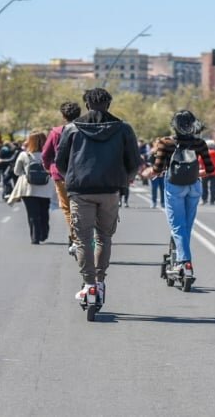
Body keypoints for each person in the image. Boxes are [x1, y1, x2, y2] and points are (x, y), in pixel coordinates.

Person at [56, 88, 141, 302]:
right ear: (109, 105)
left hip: (80, 191)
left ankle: (89, 283)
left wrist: (72, 178)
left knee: (83, 239)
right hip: (110, 190)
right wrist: (125, 180)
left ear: (86, 105)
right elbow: (134, 162)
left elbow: (60, 162)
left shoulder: (72, 129)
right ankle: (100, 282)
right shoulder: (123, 129)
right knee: (104, 237)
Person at [152, 110, 214, 272]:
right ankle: (180, 254)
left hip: (174, 186)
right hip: (194, 185)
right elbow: (210, 168)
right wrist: (196, 172)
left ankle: (184, 261)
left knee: (177, 225)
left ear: (174, 125)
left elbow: (157, 168)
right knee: (187, 225)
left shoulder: (165, 143)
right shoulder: (200, 143)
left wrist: (156, 172)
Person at [42, 101, 82, 252]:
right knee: (83, 206)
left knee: (67, 209)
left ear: (63, 115)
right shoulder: (83, 130)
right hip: (81, 174)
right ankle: (82, 236)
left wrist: (48, 168)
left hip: (60, 175)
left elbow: (46, 154)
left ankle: (74, 237)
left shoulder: (56, 132)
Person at [10, 132, 53, 244]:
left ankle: (35, 237)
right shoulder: (49, 155)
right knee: (44, 212)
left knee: (32, 214)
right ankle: (44, 233)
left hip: (29, 189)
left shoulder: (24, 155)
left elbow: (17, 171)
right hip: (45, 188)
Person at [148, 141, 165, 208]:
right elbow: (149, 162)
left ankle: (163, 202)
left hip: (162, 173)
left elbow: (166, 162)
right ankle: (153, 202)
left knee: (162, 188)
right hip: (154, 173)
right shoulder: (153, 153)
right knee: (154, 188)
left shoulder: (164, 152)